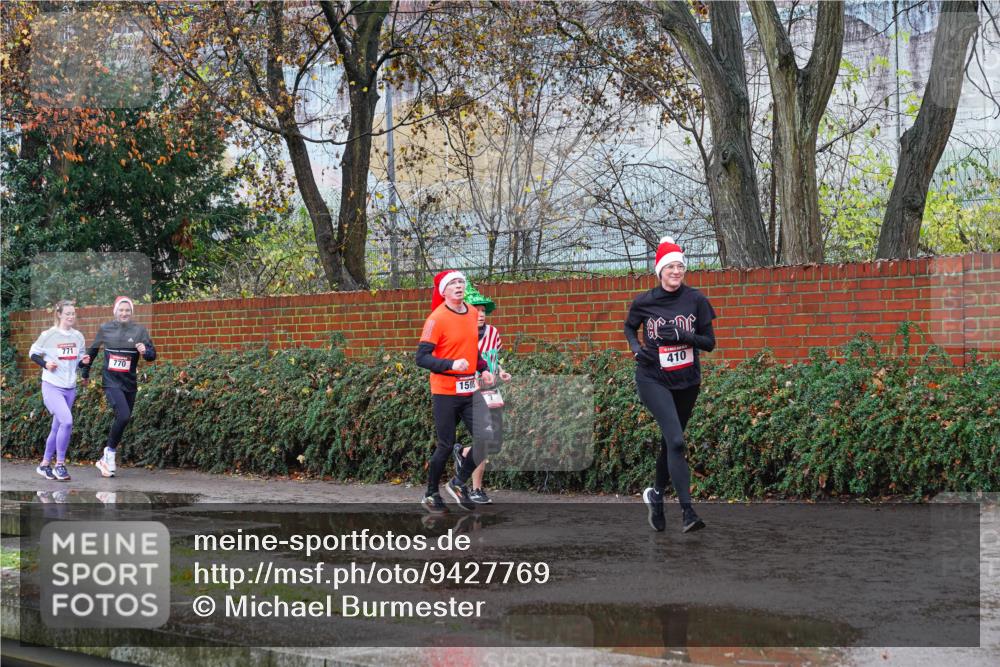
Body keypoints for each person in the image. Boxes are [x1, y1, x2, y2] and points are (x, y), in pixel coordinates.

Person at [624, 237, 716, 533]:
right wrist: (637, 350)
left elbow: (709, 343)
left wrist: (682, 335)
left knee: (669, 442)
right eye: (670, 266)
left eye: (680, 266)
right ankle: (688, 512)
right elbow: (629, 326)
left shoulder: (697, 300)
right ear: (660, 270)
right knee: (676, 441)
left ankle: (655, 495)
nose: (676, 271)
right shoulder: (645, 301)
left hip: (687, 380)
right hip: (652, 377)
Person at [415, 270, 495, 513]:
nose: (459, 286)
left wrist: (483, 368)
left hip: (469, 389)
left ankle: (458, 483)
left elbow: (471, 348)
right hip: (445, 392)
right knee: (446, 445)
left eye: (461, 282)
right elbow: (421, 358)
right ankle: (430, 494)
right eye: (453, 284)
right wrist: (450, 365)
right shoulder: (436, 319)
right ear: (444, 291)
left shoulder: (472, 312)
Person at [80, 296, 156, 478]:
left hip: (129, 382)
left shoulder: (139, 331)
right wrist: (85, 372)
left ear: (131, 312)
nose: (124, 313)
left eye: (127, 310)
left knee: (125, 418)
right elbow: (92, 351)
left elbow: (152, 355)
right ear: (115, 311)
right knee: (123, 415)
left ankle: (105, 458)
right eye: (121, 310)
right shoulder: (106, 329)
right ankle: (110, 453)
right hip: (111, 381)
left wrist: (145, 352)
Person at [461, 284, 512, 504]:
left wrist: (501, 371)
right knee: (483, 440)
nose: (480, 314)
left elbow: (495, 359)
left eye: (483, 310)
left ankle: (462, 452)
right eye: (476, 310)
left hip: (493, 392)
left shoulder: (493, 333)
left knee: (496, 442)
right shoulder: (462, 334)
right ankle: (476, 489)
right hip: (472, 393)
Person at [29, 300, 89, 482]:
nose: (71, 317)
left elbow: (77, 361)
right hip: (51, 386)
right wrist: (46, 364)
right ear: (59, 314)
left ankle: (45, 464)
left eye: (73, 314)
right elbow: (32, 353)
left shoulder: (78, 336)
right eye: (68, 313)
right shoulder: (49, 335)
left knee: (57, 427)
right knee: (67, 421)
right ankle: (60, 465)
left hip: (70, 387)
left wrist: (83, 362)